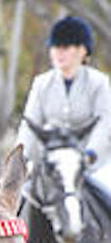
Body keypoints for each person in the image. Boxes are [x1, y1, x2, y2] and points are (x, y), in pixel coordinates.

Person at [15, 15, 111, 170]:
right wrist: (20, 157)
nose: (58, 53)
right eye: (55, 47)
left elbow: (105, 124)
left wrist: (91, 153)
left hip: (92, 164)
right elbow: (29, 124)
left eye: (65, 48)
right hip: (51, 163)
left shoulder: (99, 83)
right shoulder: (41, 83)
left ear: (82, 51)